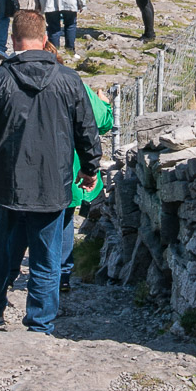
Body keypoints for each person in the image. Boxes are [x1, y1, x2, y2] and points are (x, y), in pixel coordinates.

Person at [0, 7, 102, 333]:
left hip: (4, 185)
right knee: (46, 259)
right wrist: (90, 169)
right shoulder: (69, 81)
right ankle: (40, 325)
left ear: (13, 39)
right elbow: (87, 131)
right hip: (52, 184)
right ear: (45, 39)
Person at [62, 82, 115, 295]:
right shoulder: (73, 84)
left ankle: (6, 274)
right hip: (66, 172)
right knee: (62, 221)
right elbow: (102, 122)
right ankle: (61, 277)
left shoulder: (8, 79)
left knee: (19, 223)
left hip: (20, 176)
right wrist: (104, 104)